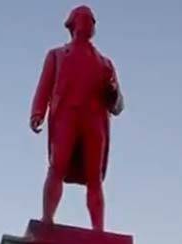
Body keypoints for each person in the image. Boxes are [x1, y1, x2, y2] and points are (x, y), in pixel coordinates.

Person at [30, 5, 124, 231]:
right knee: (57, 166)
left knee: (95, 177)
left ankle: (98, 229)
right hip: (66, 116)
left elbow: (118, 105)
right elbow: (44, 86)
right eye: (83, 19)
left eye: (91, 20)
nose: (89, 23)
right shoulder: (57, 55)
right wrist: (37, 112)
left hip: (94, 121)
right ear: (72, 25)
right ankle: (47, 219)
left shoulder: (105, 63)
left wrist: (113, 94)